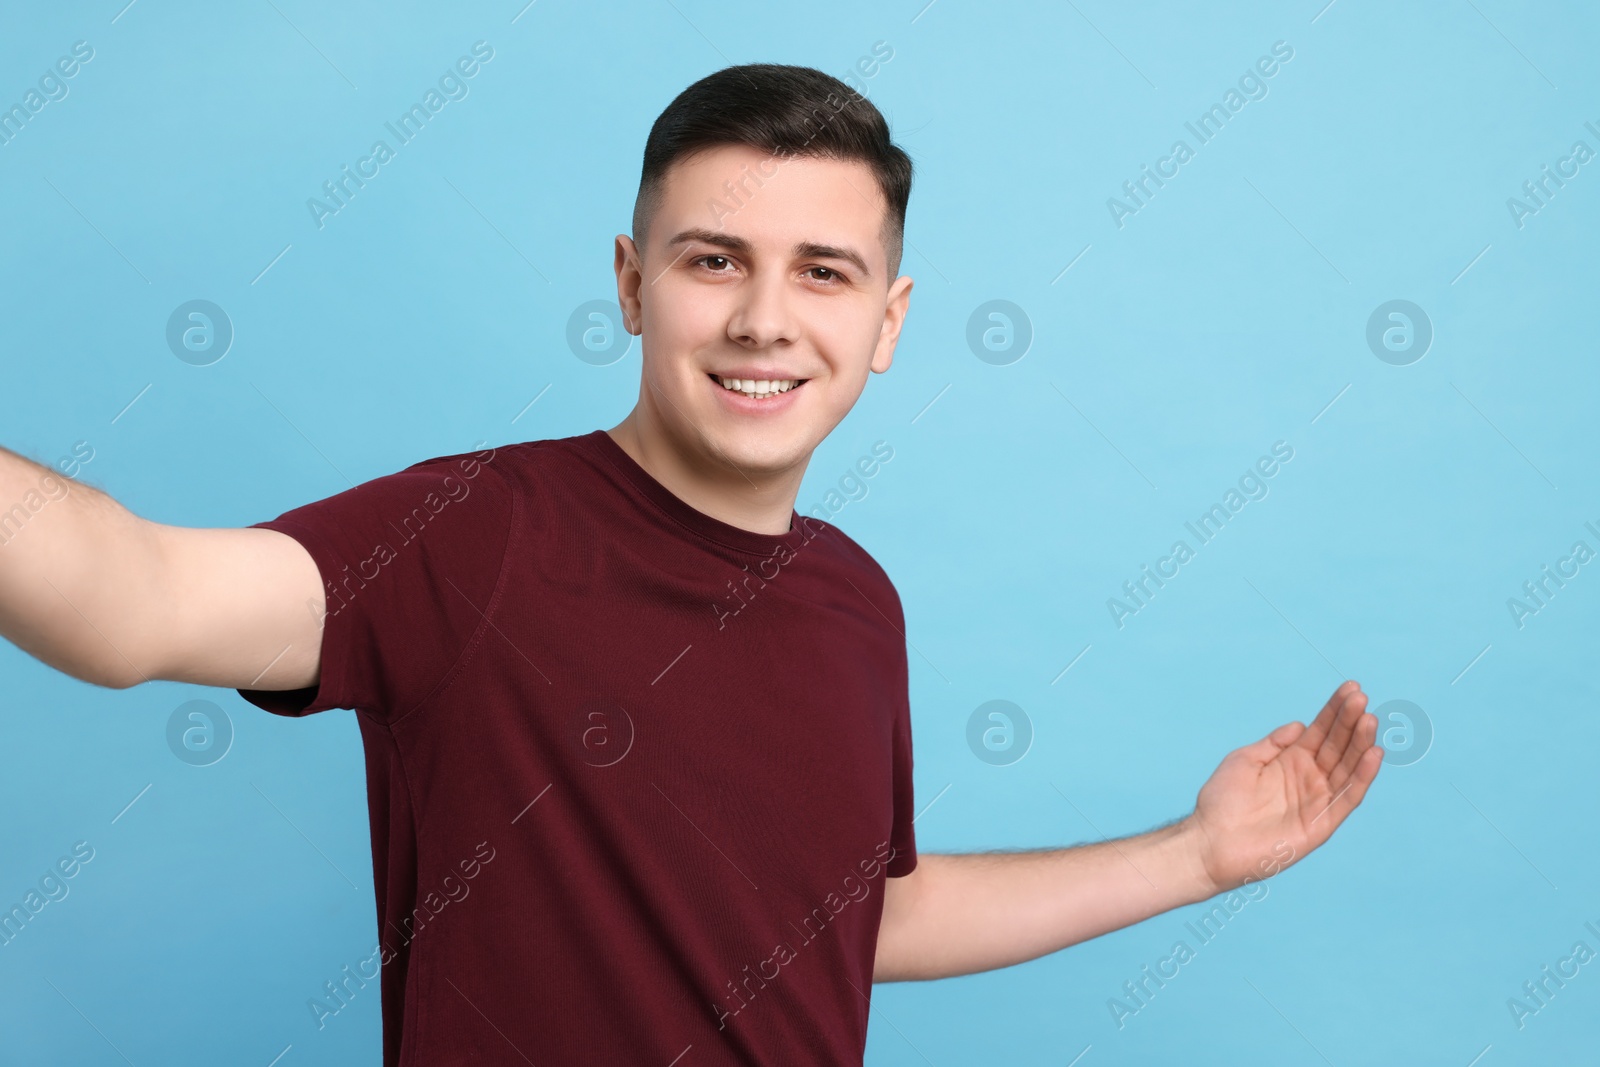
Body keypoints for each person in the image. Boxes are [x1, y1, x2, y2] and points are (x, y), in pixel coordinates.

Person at [0, 62, 1381, 1066]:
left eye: (824, 273)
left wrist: (1193, 856)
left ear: (889, 320)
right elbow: (136, 600)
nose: (765, 319)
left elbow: (850, 920)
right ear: (630, 282)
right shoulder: (474, 535)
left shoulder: (857, 603)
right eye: (715, 261)